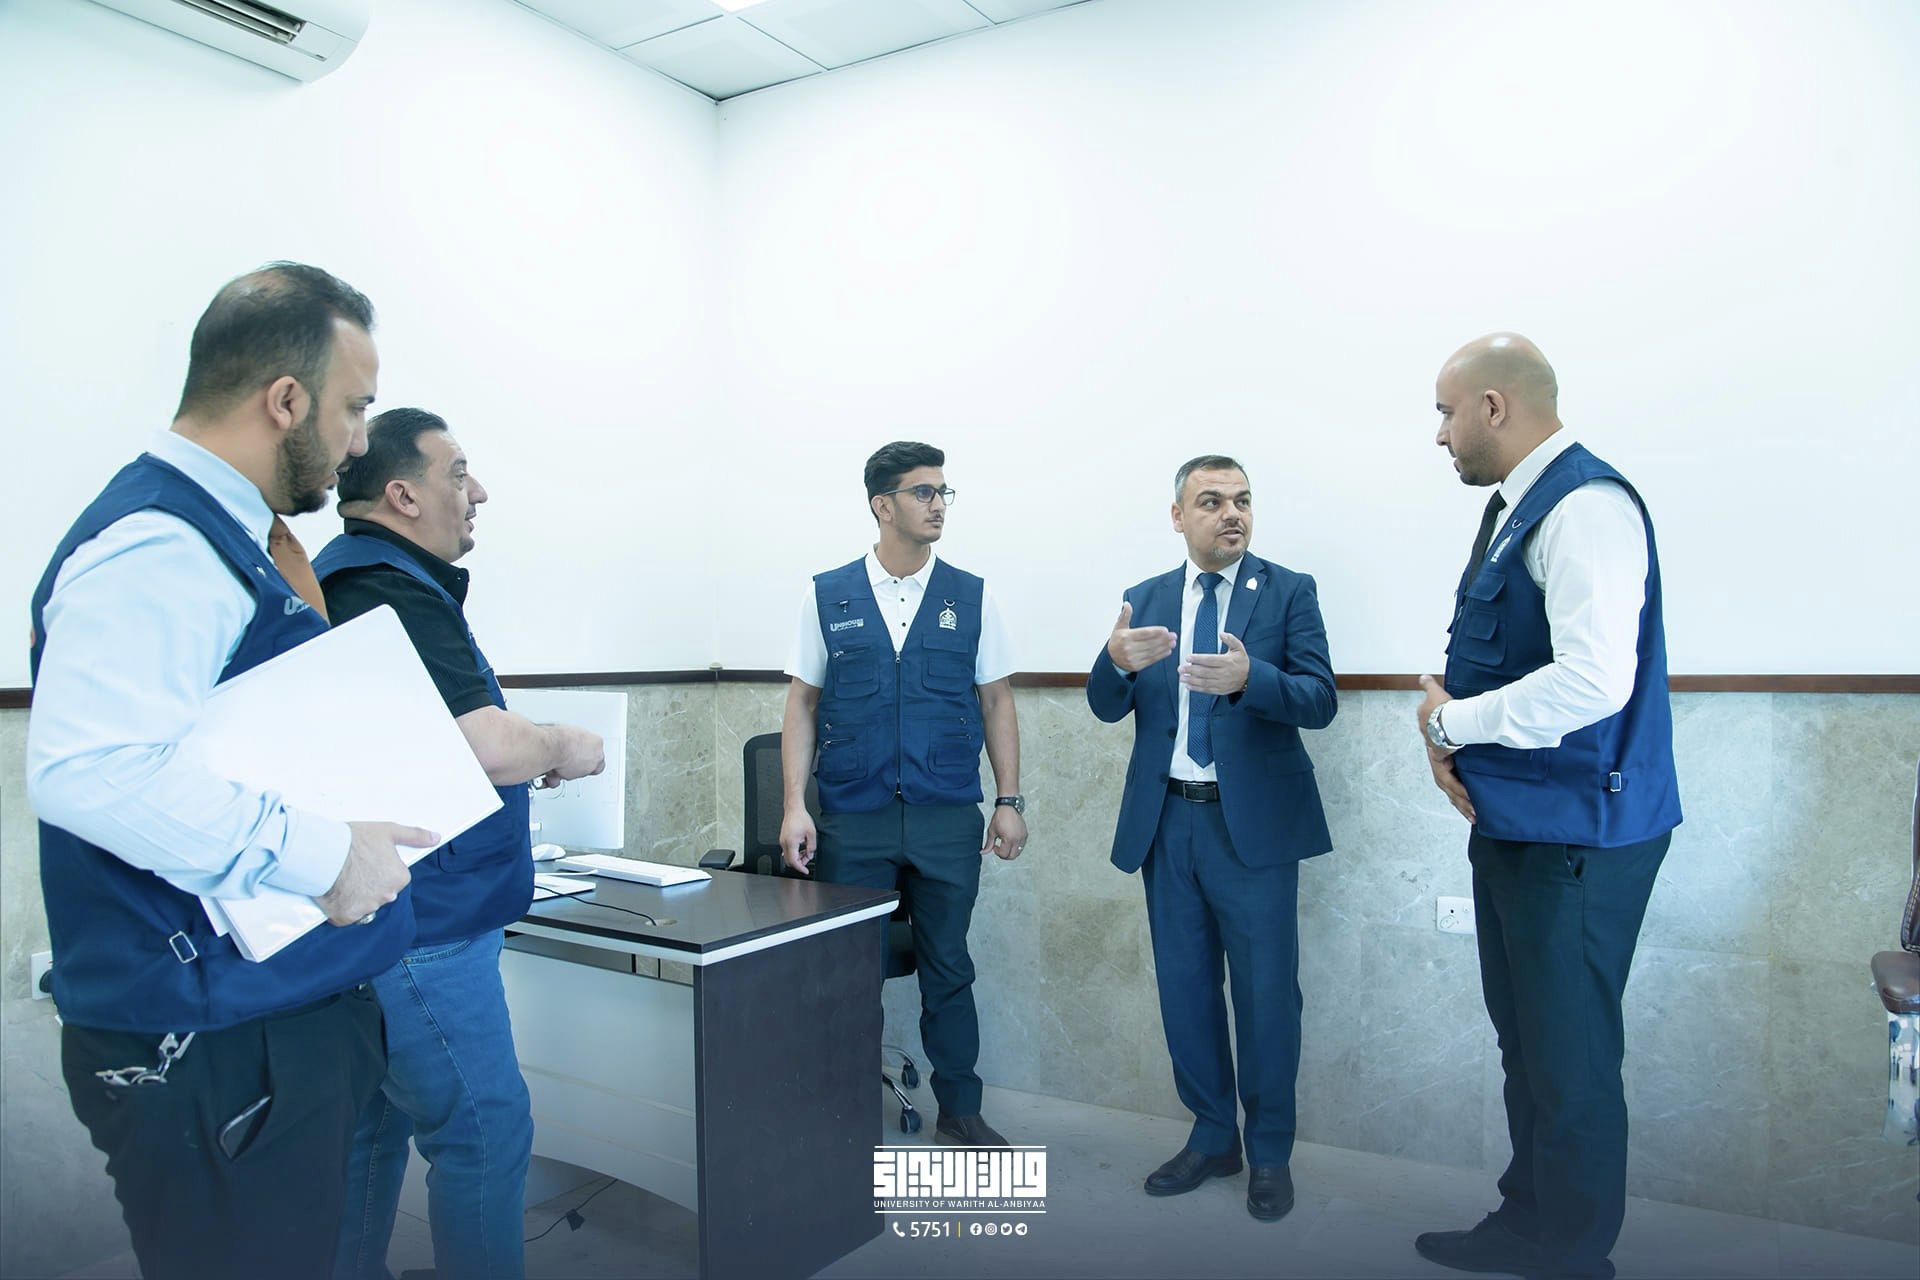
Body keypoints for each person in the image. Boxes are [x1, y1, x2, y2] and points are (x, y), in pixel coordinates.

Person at [25, 264, 437, 1280]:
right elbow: (90, 769)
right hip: (214, 1041)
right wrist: (328, 855)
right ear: (285, 400)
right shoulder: (160, 542)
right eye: (353, 408)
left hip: (268, 1012)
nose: (357, 442)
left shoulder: (231, 536)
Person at [314, 408, 606, 1280]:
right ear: (402, 495)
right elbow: (486, 746)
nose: (477, 491)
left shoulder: (358, 578)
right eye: (458, 472)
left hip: (387, 918)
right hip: (426, 931)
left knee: (373, 1131)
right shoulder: (388, 586)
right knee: (484, 1132)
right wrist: (563, 746)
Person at [1412, 334, 1681, 1280]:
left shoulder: (1586, 507)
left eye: (1446, 413)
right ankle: (1526, 1225)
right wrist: (1447, 734)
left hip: (1576, 837)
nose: (1439, 435)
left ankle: (1569, 1257)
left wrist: (1452, 724)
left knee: (1569, 1060)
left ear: (1494, 406)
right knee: (1529, 1047)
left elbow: (1594, 682)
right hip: (1522, 825)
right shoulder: (1516, 508)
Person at [1086, 454, 1335, 1223]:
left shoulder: (1288, 591)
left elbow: (1319, 699)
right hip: (1168, 823)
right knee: (1186, 988)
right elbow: (1106, 705)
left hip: (1249, 829)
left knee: (1267, 997)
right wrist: (1112, 663)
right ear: (1178, 516)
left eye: (1243, 500)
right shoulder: (1146, 598)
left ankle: (1270, 1153)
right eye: (1213, 501)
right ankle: (1211, 1136)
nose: (1232, 513)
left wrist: (1252, 680)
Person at [777, 441, 1027, 1147]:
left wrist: (1009, 801)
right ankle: (846, 1110)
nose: (939, 504)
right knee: (848, 973)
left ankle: (961, 1109)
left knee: (949, 966)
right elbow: (801, 703)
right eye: (924, 492)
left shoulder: (971, 596)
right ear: (882, 506)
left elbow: (996, 702)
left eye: (944, 492)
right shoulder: (828, 594)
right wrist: (794, 805)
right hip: (855, 818)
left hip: (946, 815)